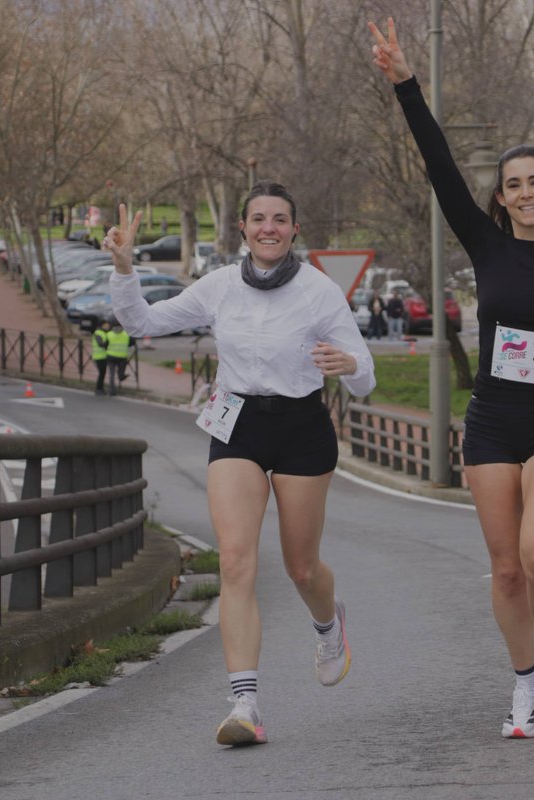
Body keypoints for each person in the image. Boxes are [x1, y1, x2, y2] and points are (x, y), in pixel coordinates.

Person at [371, 17, 534, 740]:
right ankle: (523, 687)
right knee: (506, 569)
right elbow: (439, 167)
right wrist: (406, 86)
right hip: (490, 421)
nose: (524, 194)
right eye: (512, 185)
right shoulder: (485, 244)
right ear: (502, 197)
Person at [102, 181, 376, 747]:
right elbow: (142, 324)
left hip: (302, 429)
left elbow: (367, 377)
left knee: (303, 568)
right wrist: (125, 269)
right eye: (258, 219)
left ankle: (329, 624)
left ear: (294, 229)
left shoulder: (319, 292)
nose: (269, 228)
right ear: (243, 229)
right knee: (235, 561)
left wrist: (348, 362)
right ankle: (244, 703)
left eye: (280, 219)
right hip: (238, 427)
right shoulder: (220, 286)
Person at [104, 318, 132, 396]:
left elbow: (105, 345)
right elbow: (132, 342)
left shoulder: (109, 334)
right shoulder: (126, 334)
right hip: (122, 357)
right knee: (120, 373)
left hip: (111, 357)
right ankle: (121, 377)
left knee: (111, 375)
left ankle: (112, 391)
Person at [92, 320, 110, 396]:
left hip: (104, 356)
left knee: (103, 373)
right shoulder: (98, 333)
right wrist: (108, 343)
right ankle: (98, 389)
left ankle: (100, 388)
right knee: (102, 373)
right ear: (101, 325)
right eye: (106, 325)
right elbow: (100, 344)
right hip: (98, 357)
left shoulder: (104, 333)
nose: (107, 326)